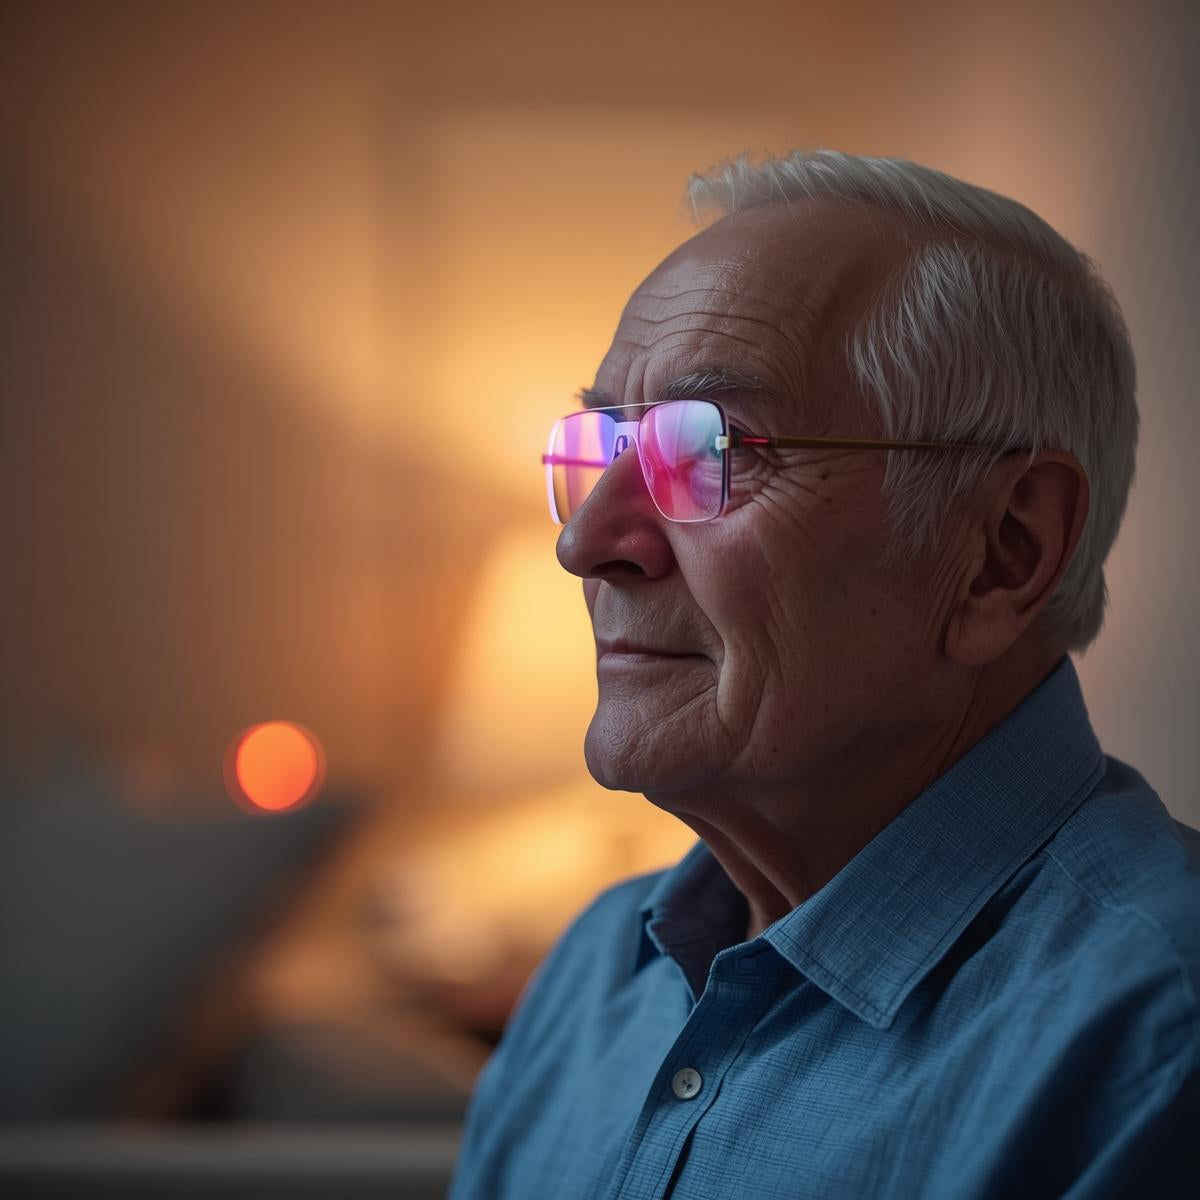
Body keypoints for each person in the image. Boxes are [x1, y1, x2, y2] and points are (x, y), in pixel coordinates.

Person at [447, 150, 1200, 1199]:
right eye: (605, 444)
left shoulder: (1159, 1037)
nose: (586, 544)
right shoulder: (592, 978)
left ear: (1003, 553)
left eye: (712, 447)